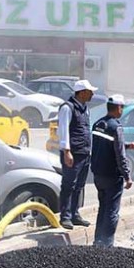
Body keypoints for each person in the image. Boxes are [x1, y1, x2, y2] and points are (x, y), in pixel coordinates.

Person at [90, 95, 134, 247]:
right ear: (118, 108)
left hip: (98, 174)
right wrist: (127, 176)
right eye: (122, 107)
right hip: (112, 176)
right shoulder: (116, 127)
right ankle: (107, 244)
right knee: (112, 211)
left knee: (103, 208)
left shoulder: (98, 124)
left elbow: (107, 145)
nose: (122, 110)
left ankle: (98, 241)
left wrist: (127, 144)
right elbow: (119, 154)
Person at [57, 79, 98, 230]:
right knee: (69, 185)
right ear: (81, 92)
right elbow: (63, 131)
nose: (92, 94)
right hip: (73, 154)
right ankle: (65, 216)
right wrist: (67, 151)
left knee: (79, 185)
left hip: (84, 153)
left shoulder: (85, 108)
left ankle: (75, 214)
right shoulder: (68, 108)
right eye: (90, 92)